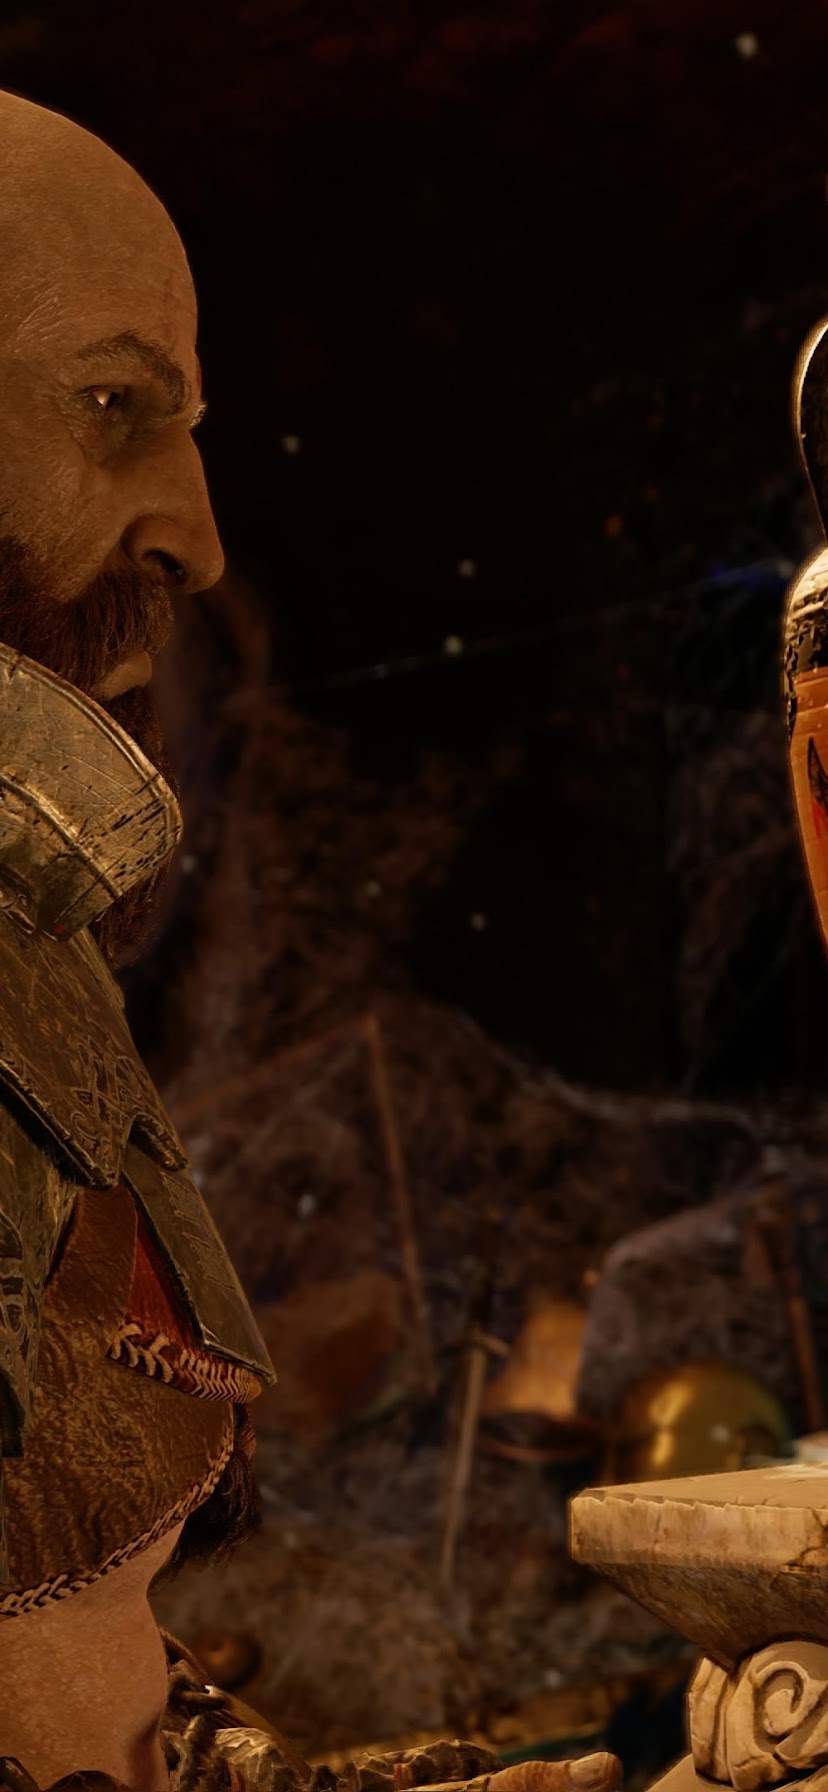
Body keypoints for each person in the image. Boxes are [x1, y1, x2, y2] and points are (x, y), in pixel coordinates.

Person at [0, 90, 623, 1792]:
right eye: (111, 404)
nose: (197, 537)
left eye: (185, 426)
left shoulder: (33, 939)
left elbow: (63, 1668)